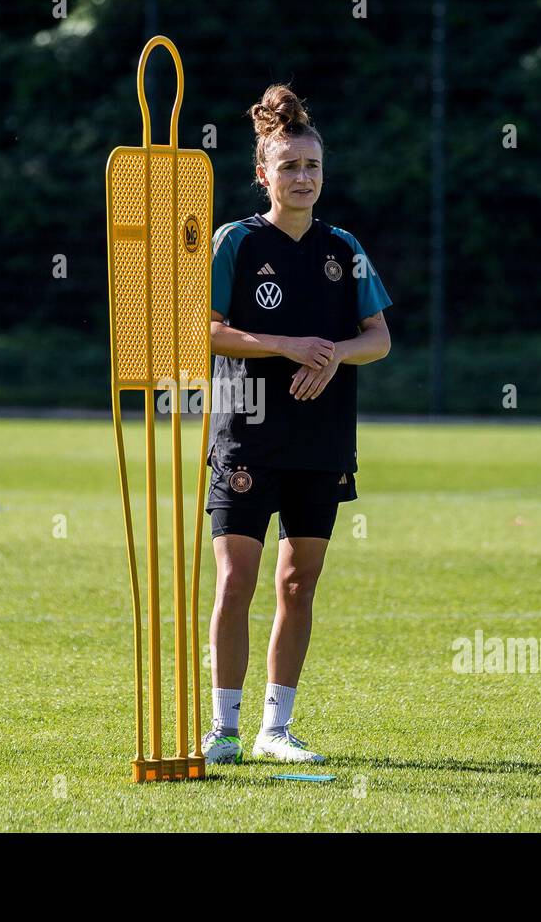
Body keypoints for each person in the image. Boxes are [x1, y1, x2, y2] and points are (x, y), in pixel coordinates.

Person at [200, 84, 392, 765]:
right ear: (263, 175)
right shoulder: (236, 242)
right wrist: (285, 344)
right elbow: (208, 332)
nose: (303, 178)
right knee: (236, 581)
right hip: (247, 436)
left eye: (312, 167)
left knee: (297, 585)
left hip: (322, 438)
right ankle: (222, 728)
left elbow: (380, 338)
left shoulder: (344, 247)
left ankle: (275, 730)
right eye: (289, 167)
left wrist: (335, 352)